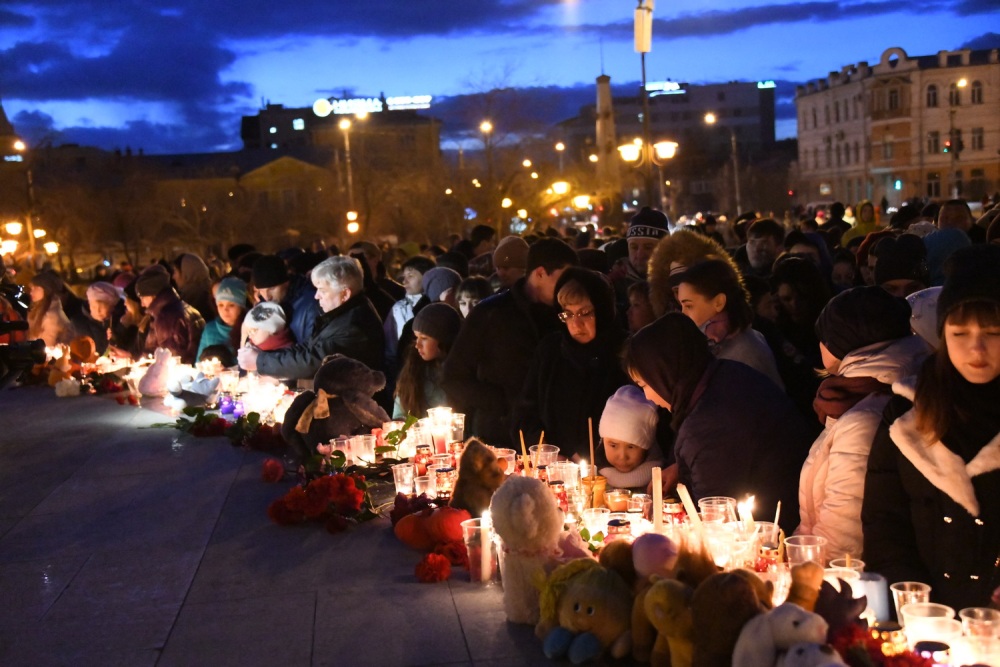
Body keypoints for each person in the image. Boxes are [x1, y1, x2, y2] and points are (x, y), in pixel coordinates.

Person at [862, 244, 1000, 611]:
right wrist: (912, 602)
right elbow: (884, 523)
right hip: (925, 624)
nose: (976, 349)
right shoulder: (906, 414)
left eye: (993, 333)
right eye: (959, 333)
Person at [624, 313, 813, 534]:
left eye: (644, 385)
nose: (648, 398)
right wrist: (683, 467)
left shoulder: (707, 425)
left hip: (770, 537)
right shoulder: (725, 374)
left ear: (665, 374)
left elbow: (717, 525)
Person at [796, 286, 931, 559]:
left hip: (844, 579)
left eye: (824, 337)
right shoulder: (854, 396)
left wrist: (799, 572)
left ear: (841, 342)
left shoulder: (863, 418)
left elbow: (843, 537)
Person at [442, 238, 578, 445]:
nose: (569, 286)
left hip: (552, 437)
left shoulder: (565, 315)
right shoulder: (491, 313)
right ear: (540, 273)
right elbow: (453, 376)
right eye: (564, 278)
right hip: (499, 436)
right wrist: (502, 402)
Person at [511, 267, 629, 459]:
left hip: (609, 471)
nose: (576, 323)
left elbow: (634, 422)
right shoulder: (550, 351)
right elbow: (525, 414)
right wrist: (548, 452)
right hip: (553, 467)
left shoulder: (624, 353)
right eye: (568, 314)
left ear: (603, 311)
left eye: (585, 313)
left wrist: (587, 457)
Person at [238, 255, 384, 383]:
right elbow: (308, 348)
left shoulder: (354, 325)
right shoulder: (339, 315)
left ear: (345, 294)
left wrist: (260, 361)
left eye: (323, 290)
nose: (316, 296)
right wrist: (263, 356)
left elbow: (313, 361)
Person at [675, 259, 783, 389]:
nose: (683, 313)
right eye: (681, 305)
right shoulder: (716, 341)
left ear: (719, 302)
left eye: (689, 306)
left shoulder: (743, 351)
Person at [393, 303, 462, 419]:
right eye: (416, 337)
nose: (417, 345)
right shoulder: (412, 370)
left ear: (443, 339)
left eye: (424, 338)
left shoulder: (462, 372)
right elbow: (400, 415)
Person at [596, 385, 665, 490]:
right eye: (613, 445)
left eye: (631, 447)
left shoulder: (663, 479)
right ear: (603, 442)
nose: (622, 456)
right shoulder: (594, 478)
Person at [135, 264, 204, 363]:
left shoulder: (167, 317)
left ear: (153, 295)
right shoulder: (179, 307)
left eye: (142, 298)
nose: (142, 304)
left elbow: (171, 358)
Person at [383, 255, 436, 372]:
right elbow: (390, 346)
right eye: (404, 276)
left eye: (411, 276)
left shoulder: (436, 305)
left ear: (427, 277)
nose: (404, 281)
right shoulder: (399, 308)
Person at [251, 254, 318, 345]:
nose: (267, 296)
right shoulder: (263, 306)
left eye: (272, 288)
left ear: (286, 282)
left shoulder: (310, 304)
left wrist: (261, 358)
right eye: (261, 291)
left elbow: (312, 352)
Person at [196, 277, 248, 361]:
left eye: (231, 305)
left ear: (241, 307)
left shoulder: (251, 330)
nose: (225, 310)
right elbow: (198, 364)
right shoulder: (209, 330)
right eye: (221, 305)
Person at [74, 281, 128, 355]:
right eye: (93, 307)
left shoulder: (121, 319)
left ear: (112, 306)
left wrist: (114, 338)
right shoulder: (80, 323)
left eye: (102, 308)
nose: (97, 311)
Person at [27, 271, 74, 347]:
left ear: (47, 290)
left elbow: (47, 345)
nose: (31, 292)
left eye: (36, 288)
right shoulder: (38, 310)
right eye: (31, 288)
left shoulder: (52, 316)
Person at [171, 253, 215, 323]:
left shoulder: (196, 299)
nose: (173, 277)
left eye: (175, 271)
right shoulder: (208, 290)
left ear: (186, 272)